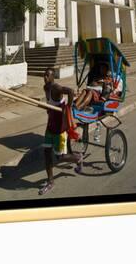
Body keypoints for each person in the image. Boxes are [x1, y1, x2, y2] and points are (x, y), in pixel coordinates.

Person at [39, 67, 83, 195]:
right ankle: (50, 181)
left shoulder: (56, 87)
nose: (45, 77)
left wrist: (68, 107)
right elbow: (50, 103)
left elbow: (70, 91)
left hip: (60, 126)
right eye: (44, 75)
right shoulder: (45, 87)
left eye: (48, 75)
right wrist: (47, 108)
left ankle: (78, 158)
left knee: (60, 157)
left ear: (53, 77)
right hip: (51, 123)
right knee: (46, 153)